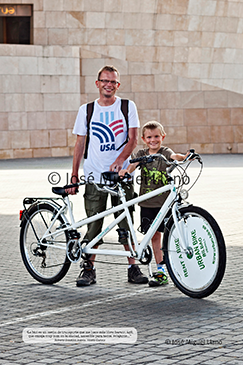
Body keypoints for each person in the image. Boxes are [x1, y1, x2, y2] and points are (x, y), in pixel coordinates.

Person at [67, 65, 148, 286]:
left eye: (113, 82)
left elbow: (133, 139)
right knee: (94, 222)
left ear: (117, 85)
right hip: (95, 175)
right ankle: (88, 269)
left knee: (126, 220)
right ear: (97, 83)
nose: (108, 85)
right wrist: (74, 175)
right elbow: (80, 143)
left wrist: (120, 161)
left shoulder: (127, 106)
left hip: (121, 176)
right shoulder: (87, 109)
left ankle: (133, 268)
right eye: (105, 81)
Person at [119, 121, 189, 287]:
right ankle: (160, 271)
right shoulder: (142, 153)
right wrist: (125, 171)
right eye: (149, 137)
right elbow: (133, 164)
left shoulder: (164, 152)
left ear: (162, 137)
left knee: (168, 235)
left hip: (164, 203)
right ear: (144, 138)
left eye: (156, 136)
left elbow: (174, 156)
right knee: (155, 237)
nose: (153, 140)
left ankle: (175, 267)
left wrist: (184, 157)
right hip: (147, 204)